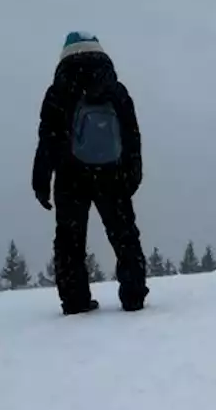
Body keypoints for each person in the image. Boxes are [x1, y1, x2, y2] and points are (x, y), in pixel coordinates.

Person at [32, 32, 148, 314]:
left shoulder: (58, 91)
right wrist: (134, 173)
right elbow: (132, 134)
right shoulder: (116, 90)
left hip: (70, 175)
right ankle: (133, 295)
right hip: (113, 172)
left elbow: (47, 138)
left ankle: (75, 300)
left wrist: (41, 181)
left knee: (69, 239)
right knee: (124, 234)